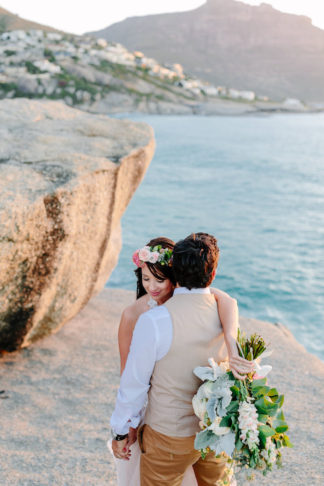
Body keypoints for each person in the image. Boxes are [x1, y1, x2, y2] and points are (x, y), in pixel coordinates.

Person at [110, 234, 254, 485]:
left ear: (174, 272)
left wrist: (121, 430)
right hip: (215, 430)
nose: (152, 285)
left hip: (169, 435)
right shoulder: (221, 307)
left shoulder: (154, 322)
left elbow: (133, 384)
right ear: (213, 273)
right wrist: (231, 340)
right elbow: (227, 299)